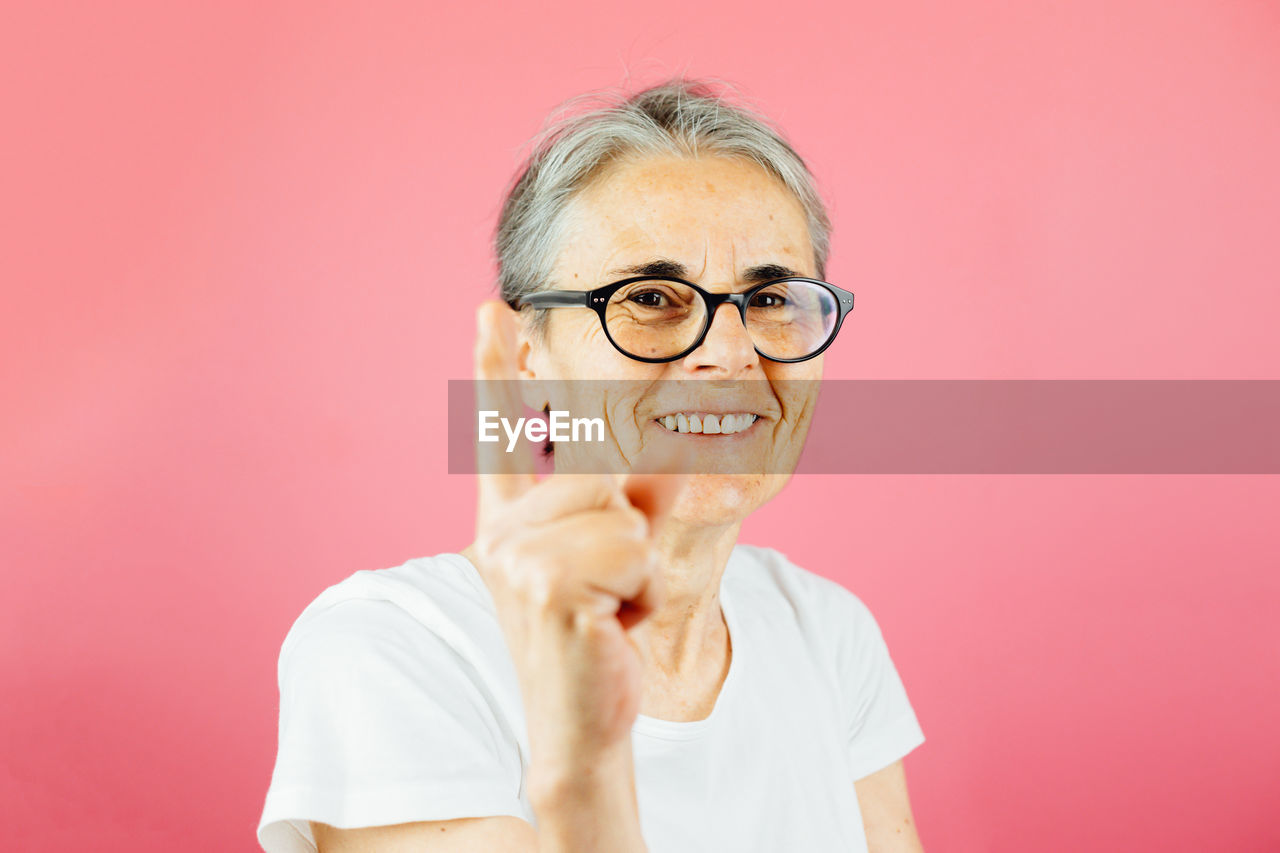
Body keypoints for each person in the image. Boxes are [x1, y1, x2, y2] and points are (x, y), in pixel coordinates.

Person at [257, 77, 927, 852]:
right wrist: (584, 773)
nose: (729, 352)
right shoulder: (392, 648)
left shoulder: (827, 631)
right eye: (650, 297)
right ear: (527, 355)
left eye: (772, 299)